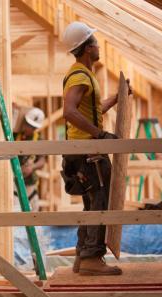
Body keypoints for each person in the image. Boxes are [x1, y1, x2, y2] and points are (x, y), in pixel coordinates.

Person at [60, 21, 132, 276]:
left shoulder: (80, 74)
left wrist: (113, 100)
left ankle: (83, 256)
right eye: (95, 42)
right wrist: (100, 135)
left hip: (82, 150)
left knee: (91, 204)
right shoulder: (80, 75)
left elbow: (87, 113)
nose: (98, 45)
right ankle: (92, 258)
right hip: (88, 152)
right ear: (88, 47)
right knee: (100, 201)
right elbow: (68, 112)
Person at [13, 107, 46, 212]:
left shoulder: (39, 140)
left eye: (32, 127)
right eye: (27, 125)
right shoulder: (14, 136)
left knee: (33, 214)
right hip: (14, 184)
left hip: (30, 185)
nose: (28, 128)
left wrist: (32, 167)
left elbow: (42, 161)